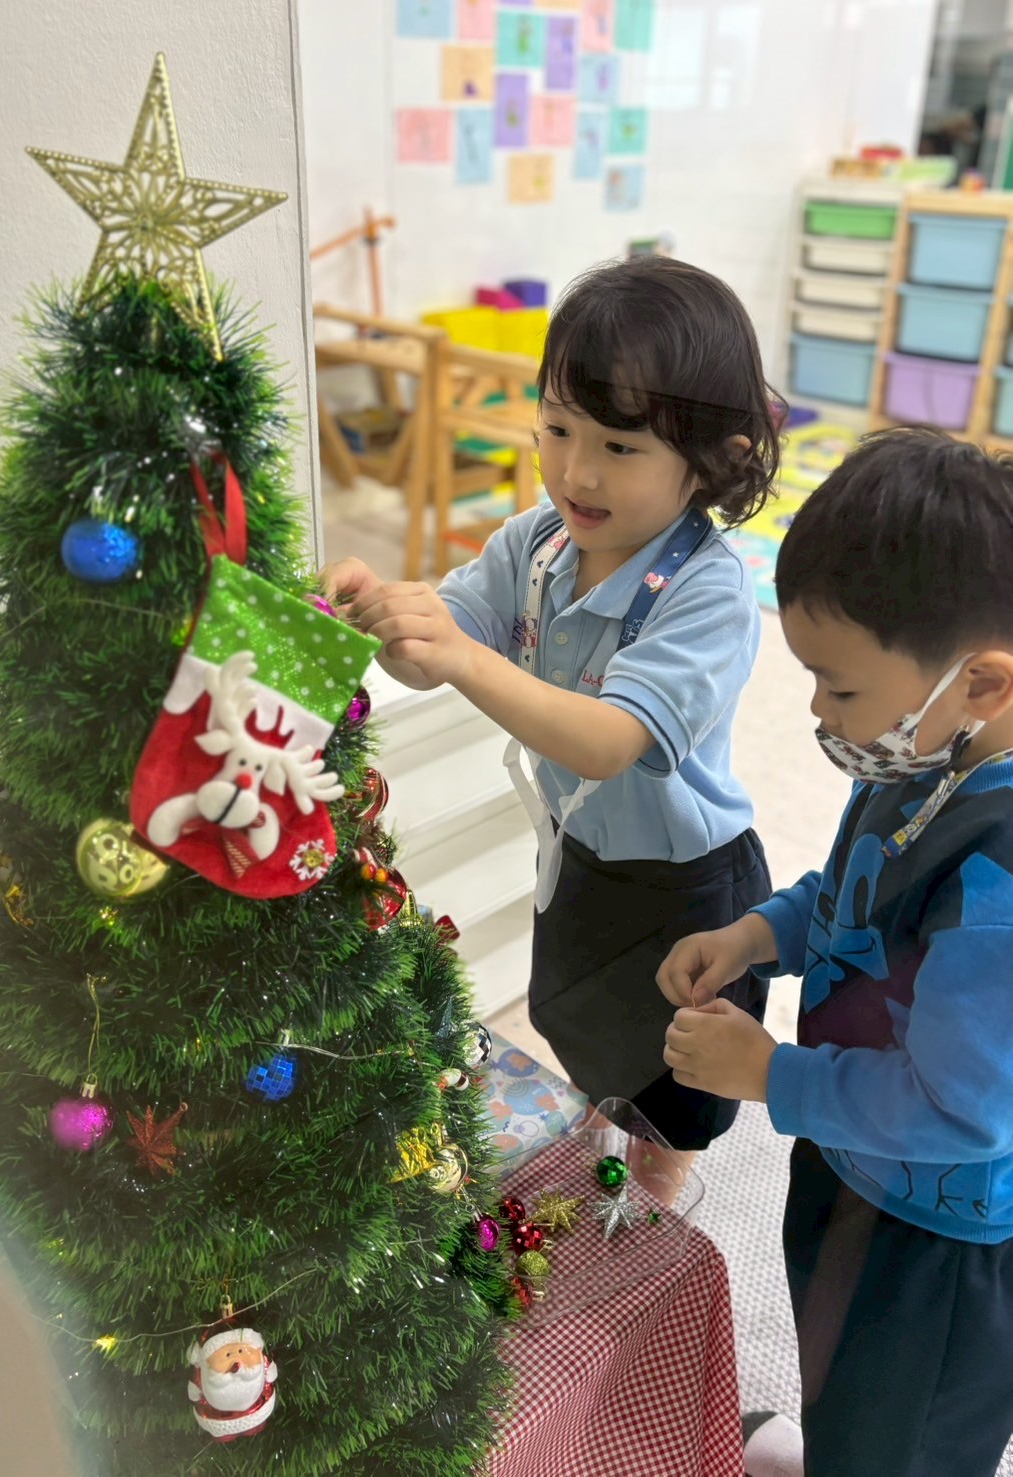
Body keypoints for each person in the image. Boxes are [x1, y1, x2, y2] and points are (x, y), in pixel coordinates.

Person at [325, 254, 777, 1164]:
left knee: (673, 1088)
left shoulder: (710, 592)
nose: (576, 471)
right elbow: (439, 648)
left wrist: (460, 655)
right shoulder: (534, 541)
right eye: (558, 427)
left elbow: (608, 741)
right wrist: (386, 615)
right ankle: (606, 1151)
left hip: (685, 887)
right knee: (584, 1033)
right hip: (577, 859)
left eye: (620, 448)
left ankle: (654, 1199)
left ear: (712, 463)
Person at [658, 428, 1013, 1477]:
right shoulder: (923, 751)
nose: (817, 710)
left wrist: (772, 1075)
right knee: (839, 1383)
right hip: (853, 1156)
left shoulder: (999, 884)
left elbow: (964, 1111)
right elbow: (854, 890)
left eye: (841, 689)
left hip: (935, 1244)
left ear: (983, 682)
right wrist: (757, 932)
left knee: (902, 1440)